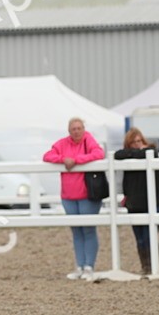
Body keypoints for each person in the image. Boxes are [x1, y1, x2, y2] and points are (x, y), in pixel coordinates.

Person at [43, 117, 105, 279]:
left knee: (88, 230)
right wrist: (63, 160)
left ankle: (89, 266)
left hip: (87, 194)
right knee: (76, 231)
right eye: (73, 129)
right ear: (69, 131)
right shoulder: (62, 143)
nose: (77, 131)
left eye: (79, 128)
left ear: (84, 129)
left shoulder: (88, 140)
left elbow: (99, 153)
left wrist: (76, 160)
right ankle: (79, 266)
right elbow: (47, 156)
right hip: (68, 195)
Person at [114, 127, 159, 274]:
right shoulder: (126, 155)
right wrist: (137, 153)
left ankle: (153, 265)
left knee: (149, 235)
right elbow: (117, 155)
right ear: (128, 144)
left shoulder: (151, 153)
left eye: (139, 141)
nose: (138, 144)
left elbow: (151, 153)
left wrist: (137, 153)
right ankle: (145, 266)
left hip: (156, 200)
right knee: (140, 238)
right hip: (135, 202)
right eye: (134, 142)